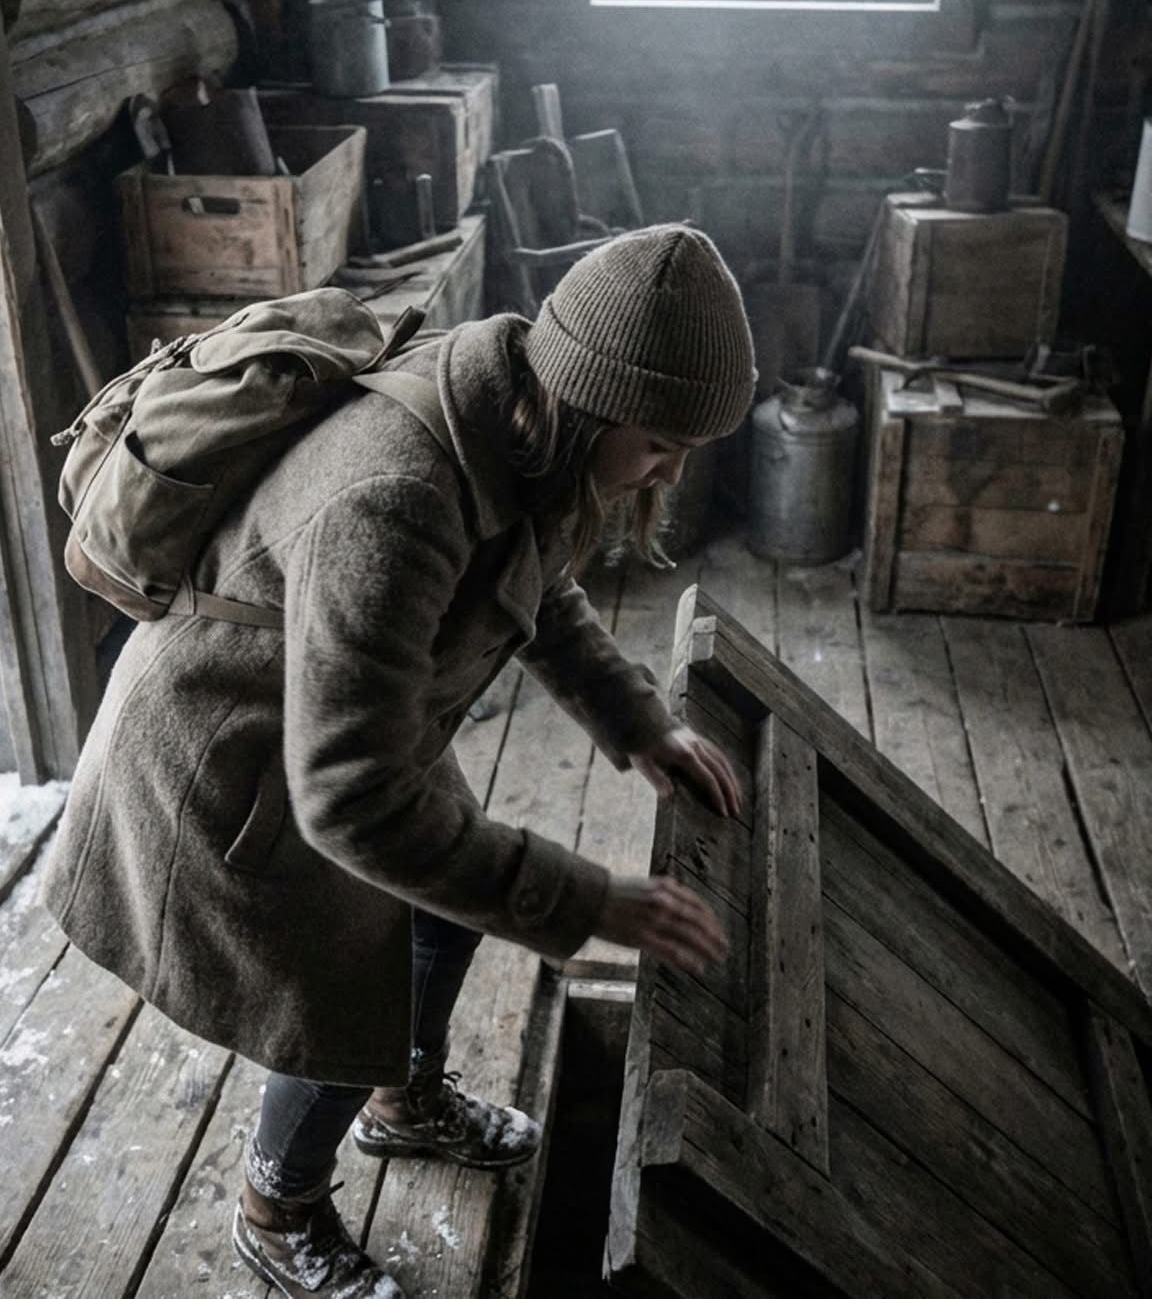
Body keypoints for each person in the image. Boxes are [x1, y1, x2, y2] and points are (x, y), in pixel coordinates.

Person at [41, 223, 756, 1299]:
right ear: (594, 400)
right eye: (661, 443)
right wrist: (591, 902)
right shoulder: (399, 491)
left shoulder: (520, 417)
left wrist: (642, 724)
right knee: (346, 989)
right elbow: (349, 800)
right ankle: (277, 1209)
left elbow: (536, 585)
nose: (674, 470)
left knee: (446, 909)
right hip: (225, 748)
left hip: (342, 716)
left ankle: (403, 1099)